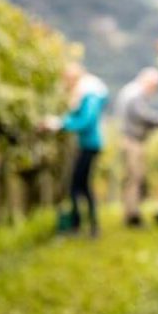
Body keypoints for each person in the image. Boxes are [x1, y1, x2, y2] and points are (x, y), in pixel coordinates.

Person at [115, 67, 158, 227]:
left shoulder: (130, 91)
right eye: (154, 86)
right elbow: (142, 115)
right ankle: (132, 216)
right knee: (135, 178)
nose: (154, 90)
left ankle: (132, 212)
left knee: (132, 178)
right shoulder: (135, 94)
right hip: (133, 142)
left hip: (130, 140)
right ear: (148, 81)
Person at [56, 62, 108, 236]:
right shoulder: (85, 93)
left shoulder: (90, 93)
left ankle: (85, 226)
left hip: (90, 144)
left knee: (80, 186)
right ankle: (85, 225)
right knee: (80, 185)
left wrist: (62, 124)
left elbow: (86, 121)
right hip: (86, 144)